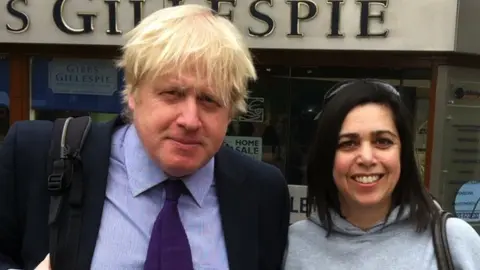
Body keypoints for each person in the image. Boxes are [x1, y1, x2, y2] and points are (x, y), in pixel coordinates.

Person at [0, 4, 290, 270]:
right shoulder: (38, 154)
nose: (190, 120)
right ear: (134, 94)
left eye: (209, 100)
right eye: (172, 94)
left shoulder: (261, 192)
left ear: (231, 111)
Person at [283, 79, 480, 269]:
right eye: (348, 143)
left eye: (383, 141)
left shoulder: (453, 240)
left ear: (403, 153)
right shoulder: (294, 245)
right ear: (327, 156)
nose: (367, 158)